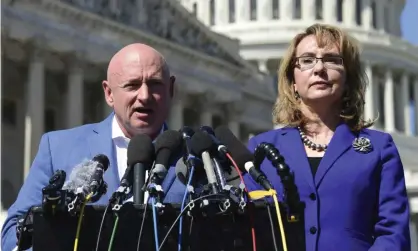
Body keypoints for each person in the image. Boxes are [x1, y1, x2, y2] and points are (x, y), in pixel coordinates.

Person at [1, 43, 187, 250]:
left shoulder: (197, 159)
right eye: (132, 85)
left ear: (170, 89)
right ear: (109, 93)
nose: (144, 95)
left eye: (154, 84)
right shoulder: (58, 148)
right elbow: (12, 234)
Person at [244, 24, 410, 251]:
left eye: (332, 59)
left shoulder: (378, 149)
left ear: (348, 78)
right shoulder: (261, 150)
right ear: (293, 80)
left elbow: (393, 234)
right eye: (307, 60)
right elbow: (249, 231)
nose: (319, 68)